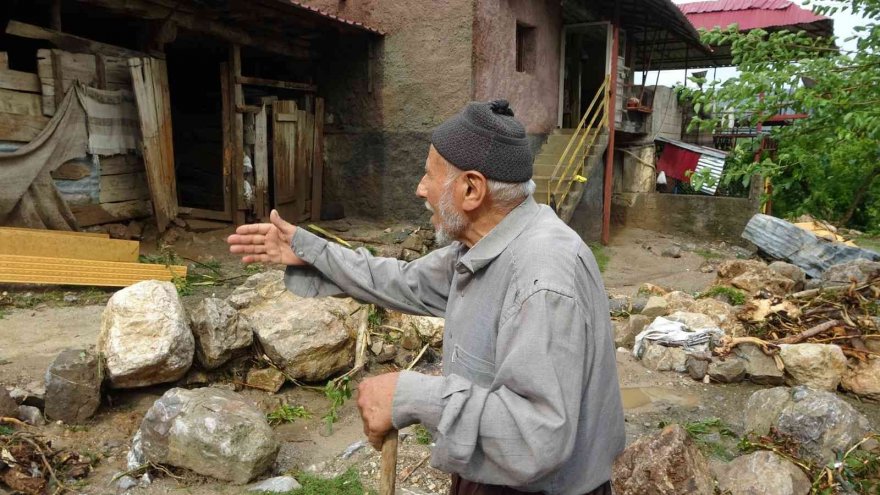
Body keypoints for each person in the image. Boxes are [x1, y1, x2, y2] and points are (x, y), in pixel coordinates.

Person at [227, 99, 624, 495]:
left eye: (429, 174)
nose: (420, 188)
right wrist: (308, 248)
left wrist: (412, 395)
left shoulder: (542, 278)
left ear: (471, 189)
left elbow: (538, 435)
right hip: (493, 478)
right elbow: (400, 281)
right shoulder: (484, 247)